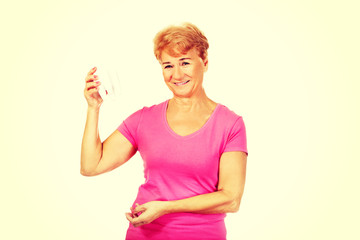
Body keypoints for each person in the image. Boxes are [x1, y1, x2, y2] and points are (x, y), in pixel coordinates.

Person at [81, 23, 248, 240]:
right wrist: (93, 107)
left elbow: (231, 199)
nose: (177, 74)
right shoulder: (143, 119)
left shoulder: (230, 124)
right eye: (168, 66)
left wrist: (165, 208)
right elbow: (91, 166)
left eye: (185, 63)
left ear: (204, 62)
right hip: (145, 234)